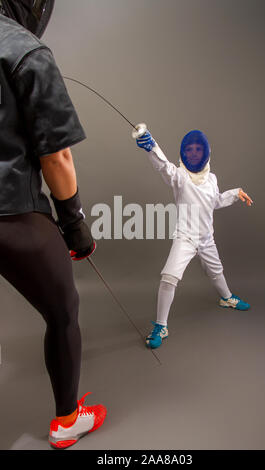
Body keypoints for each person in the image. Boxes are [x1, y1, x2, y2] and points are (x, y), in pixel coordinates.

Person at [0, 1, 106, 449]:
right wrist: (74, 224)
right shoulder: (25, 50)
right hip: (11, 213)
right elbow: (57, 156)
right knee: (63, 311)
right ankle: (68, 421)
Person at [136, 128, 253, 349]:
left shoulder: (212, 179)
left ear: (206, 153)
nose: (194, 153)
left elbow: (215, 201)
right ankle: (161, 325)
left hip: (207, 238)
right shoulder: (179, 177)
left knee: (216, 271)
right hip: (185, 238)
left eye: (198, 149)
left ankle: (226, 298)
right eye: (189, 150)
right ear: (183, 153)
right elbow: (164, 166)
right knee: (169, 277)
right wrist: (152, 146)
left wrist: (235, 193)